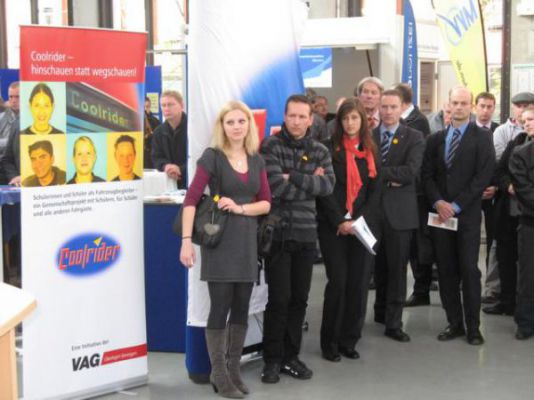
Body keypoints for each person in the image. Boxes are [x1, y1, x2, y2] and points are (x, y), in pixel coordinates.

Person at [180, 100, 271, 398]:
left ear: (249, 125)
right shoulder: (213, 157)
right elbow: (191, 200)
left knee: (242, 307)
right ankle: (218, 373)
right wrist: (185, 241)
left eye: (241, 121)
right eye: (230, 122)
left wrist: (241, 208)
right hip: (219, 242)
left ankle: (233, 371)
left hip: (246, 242)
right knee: (220, 308)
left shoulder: (256, 159)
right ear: (222, 126)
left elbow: (266, 203)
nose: (236, 127)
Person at [260, 94, 334, 384]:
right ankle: (272, 360)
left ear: (311, 119)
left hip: (306, 234)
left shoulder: (320, 150)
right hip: (278, 235)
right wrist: (307, 179)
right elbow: (274, 187)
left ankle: (291, 357)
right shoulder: (270, 145)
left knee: (299, 300)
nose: (297, 121)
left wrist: (293, 176)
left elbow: (327, 186)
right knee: (279, 300)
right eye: (292, 115)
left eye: (303, 116)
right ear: (284, 115)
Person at [422, 86, 495, 345]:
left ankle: (473, 327)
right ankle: (454, 323)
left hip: (466, 217)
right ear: (448, 105)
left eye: (464, 103)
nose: (460, 107)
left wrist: (456, 205)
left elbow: (483, 176)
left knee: (469, 270)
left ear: (471, 106)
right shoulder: (435, 139)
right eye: (455, 102)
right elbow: (427, 176)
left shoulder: (482, 137)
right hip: (440, 216)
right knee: (446, 270)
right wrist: (439, 202)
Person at [317, 98, 380, 362]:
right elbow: (324, 190)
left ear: (362, 120)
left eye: (355, 118)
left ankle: (349, 340)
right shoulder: (327, 149)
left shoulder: (371, 150)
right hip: (333, 226)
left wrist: (357, 220)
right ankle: (330, 343)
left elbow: (374, 192)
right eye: (345, 118)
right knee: (338, 282)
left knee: (358, 283)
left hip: (361, 227)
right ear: (339, 122)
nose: (350, 123)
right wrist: (340, 221)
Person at [372, 89, 424, 342]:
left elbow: (410, 172)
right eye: (384, 107)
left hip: (400, 215)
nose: (388, 111)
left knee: (397, 269)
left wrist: (378, 174)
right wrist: (391, 178)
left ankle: (394, 323)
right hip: (372, 213)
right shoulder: (368, 136)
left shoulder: (414, 137)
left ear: (402, 108)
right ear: (378, 108)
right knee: (377, 268)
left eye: (393, 107)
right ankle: (380, 312)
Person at [394, 83, 435, 308]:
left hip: (416, 193)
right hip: (402, 194)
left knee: (420, 244)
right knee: (409, 245)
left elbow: (416, 161)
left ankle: (422, 290)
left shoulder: (417, 123)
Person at [472, 92, 500, 308]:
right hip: (470, 195)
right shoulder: (466, 130)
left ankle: (490, 287)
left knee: (493, 239)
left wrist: (496, 187)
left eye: (490, 106)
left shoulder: (499, 131)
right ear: (475, 107)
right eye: (482, 106)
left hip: (493, 194)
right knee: (469, 238)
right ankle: (467, 278)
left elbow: (500, 162)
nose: (485, 110)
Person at [508, 105, 534, 340]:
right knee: (528, 275)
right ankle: (526, 323)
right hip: (530, 223)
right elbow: (523, 189)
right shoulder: (521, 154)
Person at [151, 90, 188, 188]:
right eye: (163, 105)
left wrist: (181, 169)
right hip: (168, 184)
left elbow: (199, 157)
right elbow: (156, 157)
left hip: (192, 182)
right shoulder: (158, 132)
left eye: (171, 104)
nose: (166, 109)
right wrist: (166, 166)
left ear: (182, 105)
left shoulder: (192, 129)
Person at [493, 91, 534, 161]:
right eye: (519, 106)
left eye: (525, 106)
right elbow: (500, 157)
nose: (522, 110)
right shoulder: (501, 131)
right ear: (513, 108)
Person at [143, 96, 161, 169]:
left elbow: (159, 140)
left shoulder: (155, 121)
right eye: (143, 107)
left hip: (151, 155)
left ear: (150, 107)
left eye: (147, 107)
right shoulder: (135, 120)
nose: (145, 109)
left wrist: (149, 136)